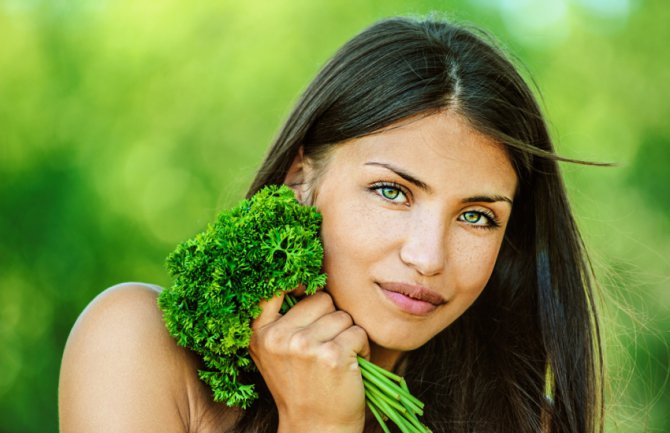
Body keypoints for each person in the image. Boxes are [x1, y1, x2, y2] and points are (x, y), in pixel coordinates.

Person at [58, 15, 604, 433]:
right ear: (301, 178)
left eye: (476, 216)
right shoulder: (139, 348)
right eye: (392, 191)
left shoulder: (528, 422)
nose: (428, 256)